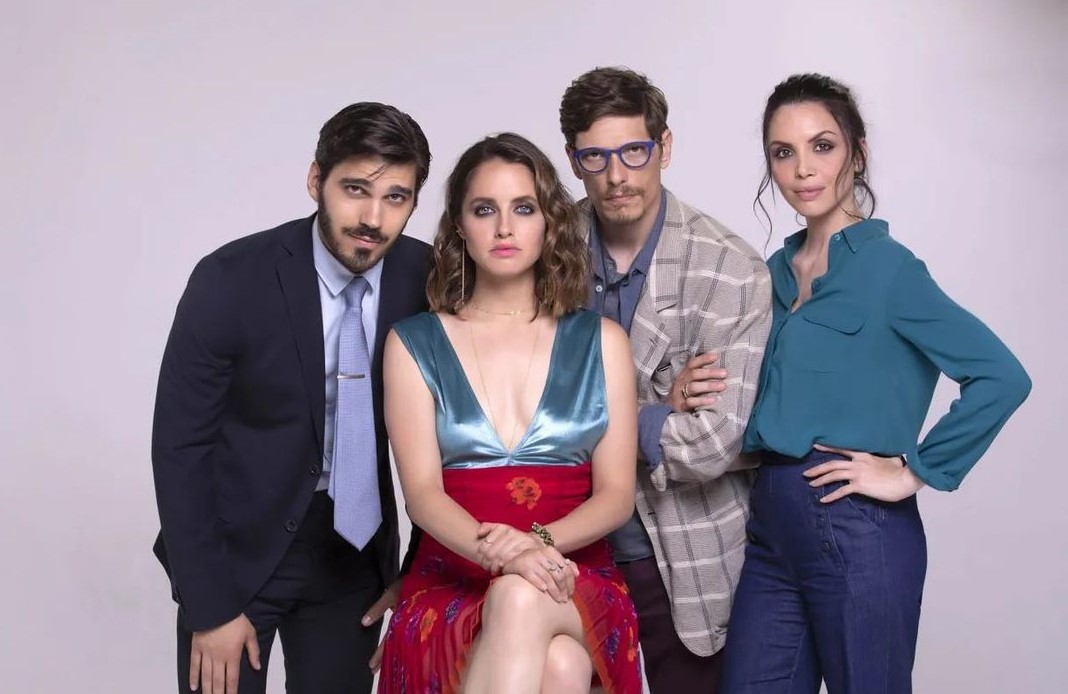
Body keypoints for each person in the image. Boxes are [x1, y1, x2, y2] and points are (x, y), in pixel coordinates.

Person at [719, 73, 1032, 693]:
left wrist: (914, 470)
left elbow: (1002, 376)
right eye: (783, 152)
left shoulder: (890, 270)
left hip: (857, 528)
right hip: (770, 526)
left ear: (857, 153)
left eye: (823, 146)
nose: (803, 169)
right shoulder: (772, 273)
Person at [151, 102, 432, 694]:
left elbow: (457, 439)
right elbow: (180, 448)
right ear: (315, 180)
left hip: (354, 556)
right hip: (234, 556)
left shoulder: (426, 279)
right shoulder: (230, 278)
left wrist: (418, 574)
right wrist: (210, 606)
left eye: (396, 198)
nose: (373, 218)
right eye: (355, 189)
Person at [377, 132, 643, 694]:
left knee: (520, 594)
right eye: (484, 210)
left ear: (549, 223)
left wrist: (535, 546)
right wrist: (502, 553)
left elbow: (617, 495)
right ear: (459, 226)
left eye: (523, 208)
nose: (504, 228)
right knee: (561, 665)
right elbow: (421, 495)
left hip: (574, 573)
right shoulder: (413, 343)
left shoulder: (603, 341)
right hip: (451, 578)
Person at [558, 66, 772, 692]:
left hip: (685, 556)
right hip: (565, 550)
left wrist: (593, 416)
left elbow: (713, 444)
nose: (616, 175)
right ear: (573, 160)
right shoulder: (544, 249)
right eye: (595, 157)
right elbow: (509, 414)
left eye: (634, 151)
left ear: (665, 146)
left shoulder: (730, 267)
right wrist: (657, 411)